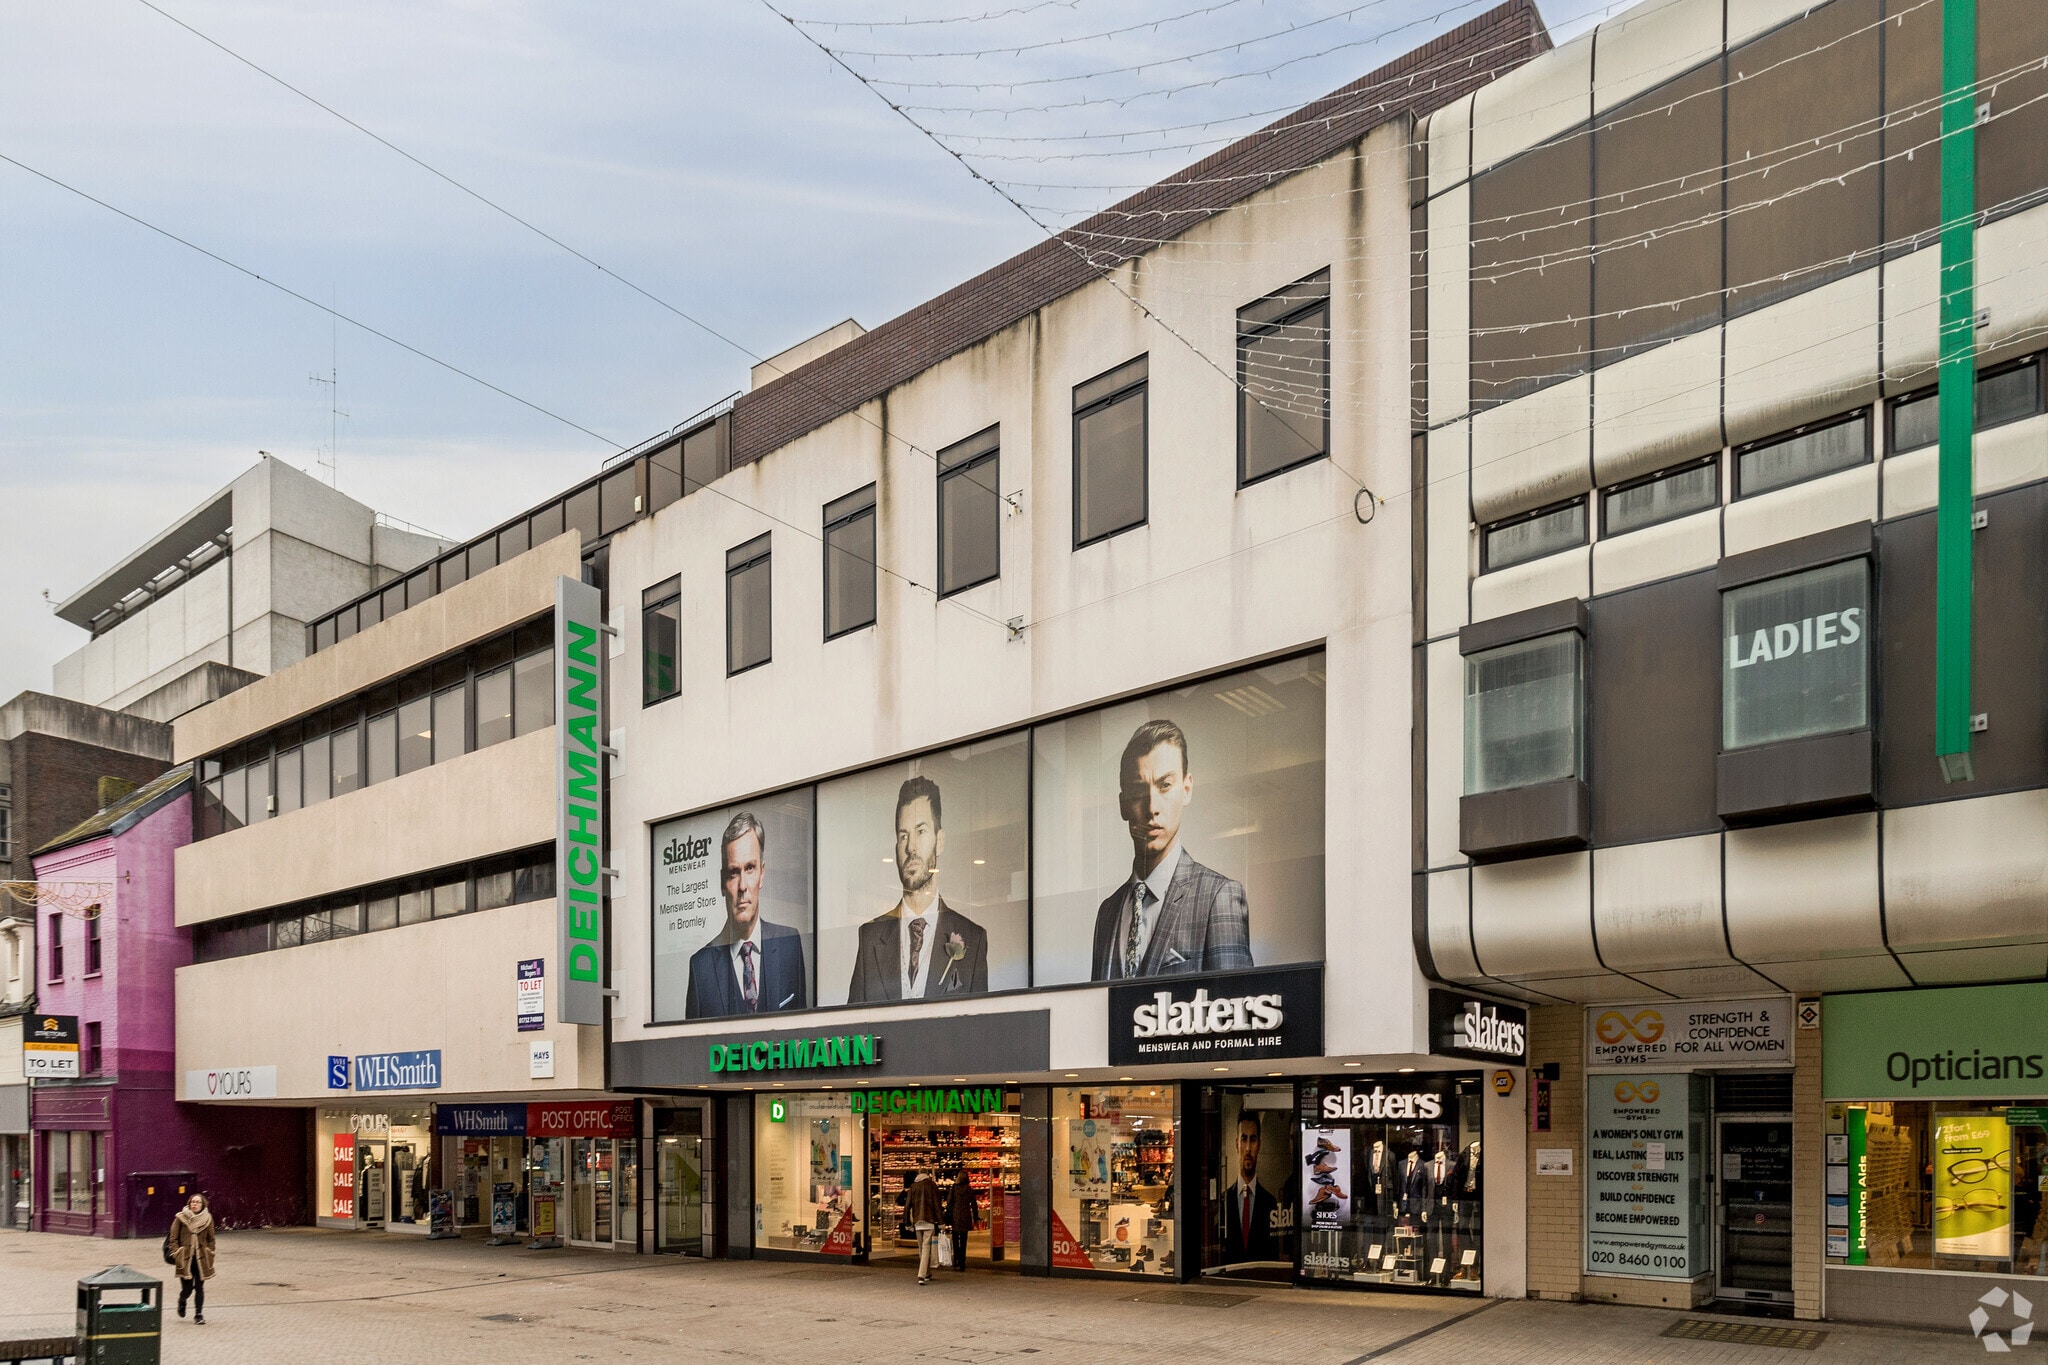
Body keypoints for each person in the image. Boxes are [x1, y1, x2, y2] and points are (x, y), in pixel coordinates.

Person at [1089, 719, 1252, 981]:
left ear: (1186, 790)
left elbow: (1234, 1008)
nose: (1152, 806)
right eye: (1139, 790)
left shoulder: (1217, 898)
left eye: (1165, 786)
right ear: (1123, 805)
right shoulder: (1108, 912)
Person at [847, 777, 990, 1002]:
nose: (911, 846)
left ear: (939, 841)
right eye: (903, 836)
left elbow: (977, 1028)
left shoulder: (973, 938)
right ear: (896, 847)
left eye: (921, 831)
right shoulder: (870, 937)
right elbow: (852, 1029)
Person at [685, 812, 808, 1017]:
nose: (742, 886)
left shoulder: (790, 944)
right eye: (734, 872)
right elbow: (694, 1047)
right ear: (722, 882)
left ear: (762, 874)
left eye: (750, 868)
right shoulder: (700, 967)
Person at [1222, 1113, 1278, 1262]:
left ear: (1259, 1144)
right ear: (1236, 1144)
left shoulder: (1270, 1203)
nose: (1247, 1148)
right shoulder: (1224, 1200)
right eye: (1243, 1138)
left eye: (1252, 1139)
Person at [169, 1192, 216, 1324]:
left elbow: (211, 1239)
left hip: (201, 1259)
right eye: (192, 1202)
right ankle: (182, 1300)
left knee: (200, 1288)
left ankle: (198, 1315)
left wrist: (210, 1251)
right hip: (185, 1259)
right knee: (188, 1289)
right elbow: (173, 1239)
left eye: (197, 1202)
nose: (194, 1204)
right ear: (189, 1204)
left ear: (203, 1204)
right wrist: (177, 1252)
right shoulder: (180, 1218)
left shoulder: (208, 1219)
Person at [908, 1168, 945, 1284]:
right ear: (927, 1175)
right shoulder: (932, 1186)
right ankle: (922, 1275)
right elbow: (936, 1205)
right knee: (926, 1248)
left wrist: (908, 1223)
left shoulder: (913, 1186)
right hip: (929, 1221)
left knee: (921, 1248)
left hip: (917, 1221)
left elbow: (907, 1205)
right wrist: (941, 1222)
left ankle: (925, 1273)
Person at [946, 1171, 976, 1273]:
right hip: (965, 1216)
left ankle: (956, 1259)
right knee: (963, 1240)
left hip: (955, 1216)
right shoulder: (969, 1190)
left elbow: (949, 1202)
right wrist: (975, 1217)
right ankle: (963, 1261)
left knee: (955, 1239)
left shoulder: (954, 1189)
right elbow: (974, 1205)